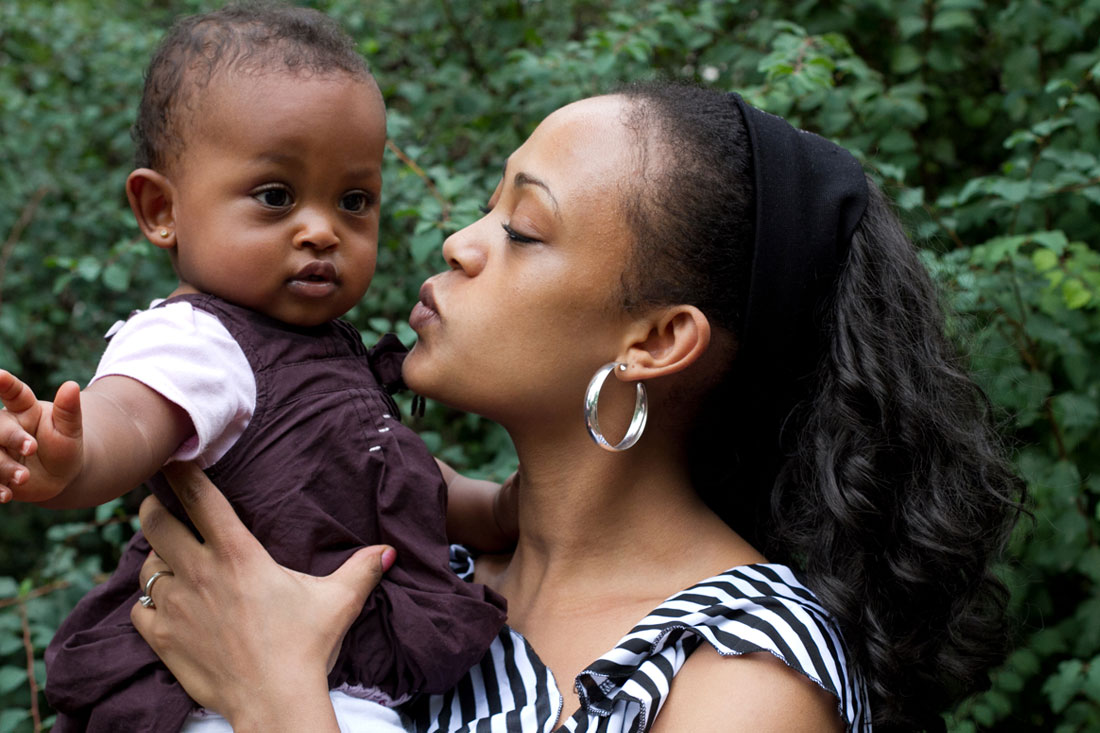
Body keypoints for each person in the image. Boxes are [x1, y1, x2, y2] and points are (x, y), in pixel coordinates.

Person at [13, 80, 1022, 731]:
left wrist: (277, 697)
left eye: (523, 229)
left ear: (654, 341)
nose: (458, 240)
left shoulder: (737, 671)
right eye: (488, 204)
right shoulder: (421, 572)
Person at [0, 4, 506, 732]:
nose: (322, 229)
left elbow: (395, 480)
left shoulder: (327, 348)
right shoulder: (194, 341)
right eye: (275, 196)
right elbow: (128, 414)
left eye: (354, 200)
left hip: (312, 680)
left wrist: (494, 508)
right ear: (160, 209)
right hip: (214, 693)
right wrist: (70, 454)